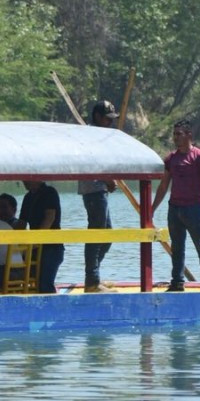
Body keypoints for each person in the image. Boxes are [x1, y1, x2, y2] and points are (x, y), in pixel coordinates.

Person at [151, 119, 200, 292]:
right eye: (174, 134)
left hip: (193, 209)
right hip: (175, 209)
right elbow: (164, 186)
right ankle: (177, 282)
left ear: (189, 135)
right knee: (177, 248)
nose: (175, 138)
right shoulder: (171, 159)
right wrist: (152, 209)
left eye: (179, 134)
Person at [79, 100, 119, 293]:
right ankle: (92, 281)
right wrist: (108, 180)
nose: (109, 123)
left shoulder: (101, 136)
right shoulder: (89, 135)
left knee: (107, 235)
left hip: (100, 188)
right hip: (93, 189)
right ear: (97, 117)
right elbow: (91, 162)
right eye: (107, 119)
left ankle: (94, 275)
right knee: (97, 234)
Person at [16, 180, 63, 294]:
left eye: (27, 178)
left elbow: (50, 218)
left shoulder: (49, 192)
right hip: (35, 248)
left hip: (51, 247)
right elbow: (22, 223)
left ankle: (50, 309)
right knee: (33, 284)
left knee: (45, 285)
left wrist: (35, 241)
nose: (24, 181)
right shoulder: (28, 197)